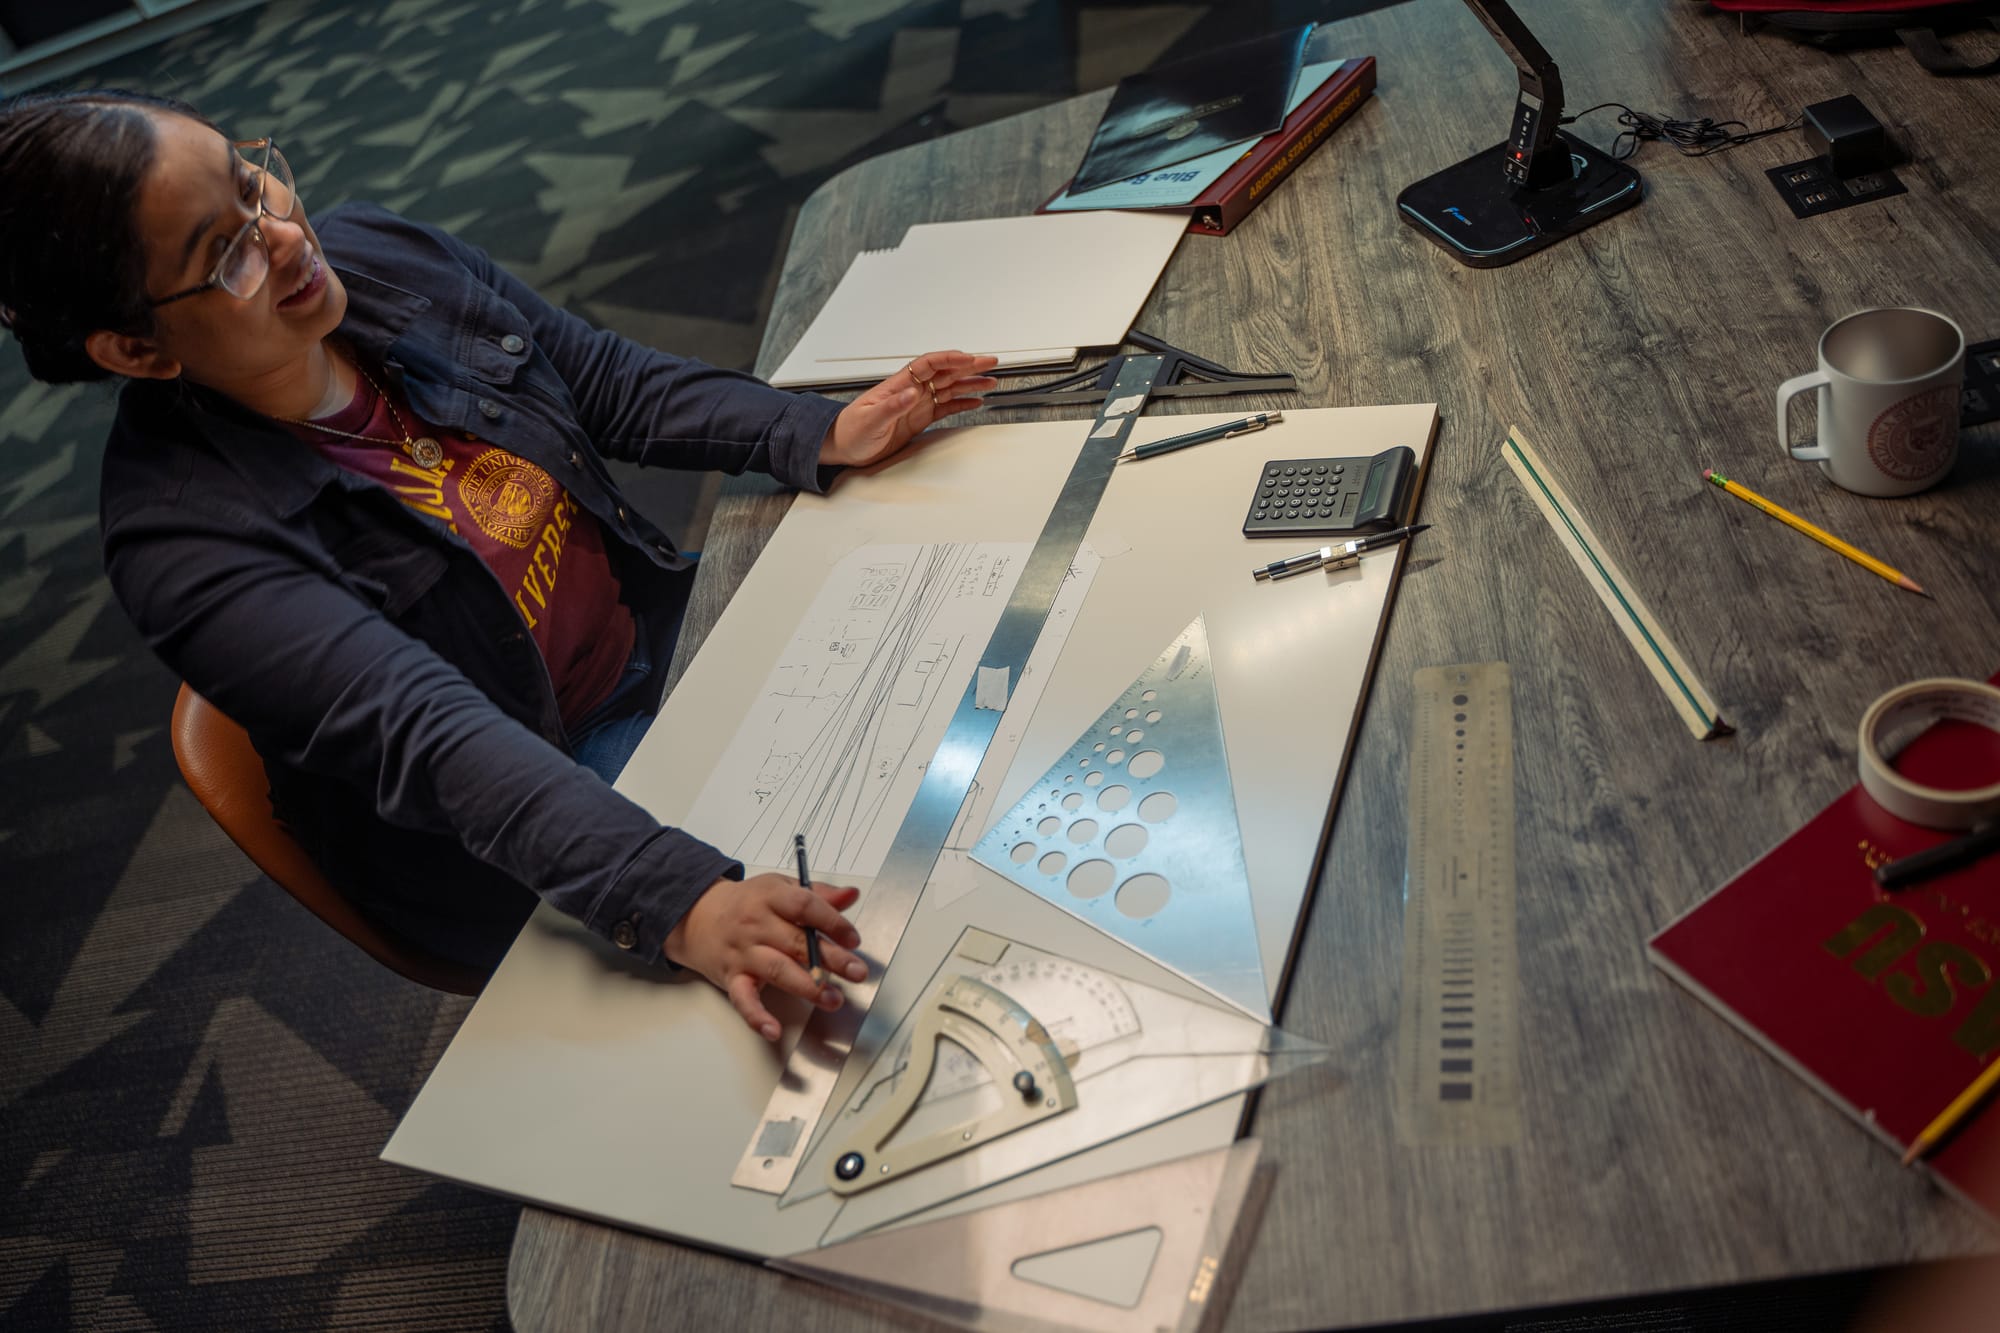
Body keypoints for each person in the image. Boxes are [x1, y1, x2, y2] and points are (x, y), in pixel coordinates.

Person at [0, 89, 999, 1041]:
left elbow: (602, 379)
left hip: (651, 635)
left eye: (252, 182)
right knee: (894, 912)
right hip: (532, 803)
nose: (290, 236)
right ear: (136, 348)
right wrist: (684, 900)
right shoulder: (180, 542)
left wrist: (819, 428)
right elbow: (438, 742)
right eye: (227, 254)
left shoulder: (379, 255)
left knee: (972, 664)